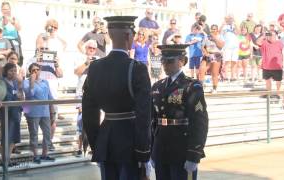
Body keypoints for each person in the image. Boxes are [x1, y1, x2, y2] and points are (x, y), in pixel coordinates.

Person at [82, 16, 152, 180]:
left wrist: (97, 144)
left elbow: (89, 111)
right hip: (131, 141)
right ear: (129, 36)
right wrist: (144, 152)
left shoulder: (95, 68)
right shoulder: (137, 68)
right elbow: (143, 114)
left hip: (106, 139)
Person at [151, 44, 208, 180]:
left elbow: (199, 122)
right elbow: (152, 121)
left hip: (181, 149)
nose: (165, 65)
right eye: (163, 61)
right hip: (161, 149)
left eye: (170, 61)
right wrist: (152, 150)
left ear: (182, 61)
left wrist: (194, 153)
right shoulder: (157, 86)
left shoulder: (191, 86)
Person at [35, 19, 65, 149]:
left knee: (53, 118)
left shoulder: (57, 42)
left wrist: (56, 62)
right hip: (38, 92)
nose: (52, 29)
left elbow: (60, 73)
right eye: (50, 27)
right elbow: (39, 46)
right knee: (37, 118)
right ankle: (37, 143)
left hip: (52, 89)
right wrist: (45, 38)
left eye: (54, 27)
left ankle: (49, 141)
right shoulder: (41, 37)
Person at [23, 63, 55, 164]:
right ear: (30, 72)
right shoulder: (26, 82)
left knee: (47, 133)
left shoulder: (45, 81)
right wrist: (32, 81)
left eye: (38, 69)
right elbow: (30, 94)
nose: (36, 71)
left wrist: (52, 111)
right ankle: (35, 155)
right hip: (32, 112)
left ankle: (44, 154)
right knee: (34, 134)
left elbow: (50, 97)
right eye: (33, 70)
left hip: (45, 111)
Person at [0, 62, 24, 166]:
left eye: (15, 71)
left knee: (13, 137)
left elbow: (21, 96)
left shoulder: (15, 82)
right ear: (6, 71)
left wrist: (19, 85)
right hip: (6, 113)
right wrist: (16, 95)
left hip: (16, 112)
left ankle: (8, 160)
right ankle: (4, 160)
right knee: (7, 137)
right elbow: (4, 97)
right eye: (11, 71)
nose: (13, 73)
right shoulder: (2, 82)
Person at [256, 31, 284, 99]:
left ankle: (279, 94)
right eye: (270, 35)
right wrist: (263, 35)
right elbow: (257, 42)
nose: (271, 36)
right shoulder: (265, 42)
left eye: (272, 35)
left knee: (278, 82)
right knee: (267, 81)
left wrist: (283, 63)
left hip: (277, 66)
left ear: (276, 36)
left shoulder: (280, 43)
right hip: (266, 66)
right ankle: (269, 94)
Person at [200, 24, 224, 93]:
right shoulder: (206, 37)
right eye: (212, 29)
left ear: (217, 30)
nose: (213, 30)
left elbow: (221, 45)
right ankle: (201, 86)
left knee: (214, 73)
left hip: (216, 55)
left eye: (214, 29)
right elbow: (202, 47)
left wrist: (215, 38)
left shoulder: (220, 36)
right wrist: (205, 53)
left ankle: (214, 88)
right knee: (201, 70)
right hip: (208, 54)